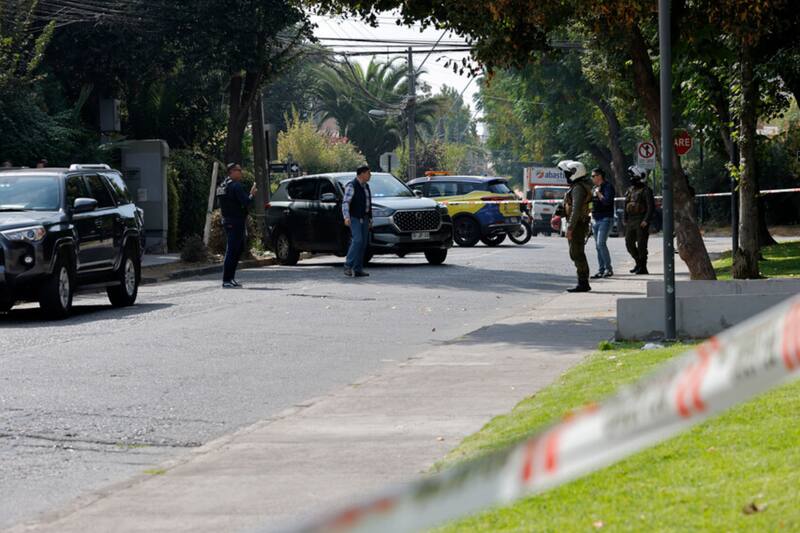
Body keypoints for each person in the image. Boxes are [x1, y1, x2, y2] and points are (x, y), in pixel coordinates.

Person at [217, 162, 256, 288]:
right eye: (238, 170)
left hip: (228, 220)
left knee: (236, 249)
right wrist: (252, 194)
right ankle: (227, 280)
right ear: (231, 172)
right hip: (235, 221)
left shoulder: (223, 185)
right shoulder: (235, 186)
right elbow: (246, 202)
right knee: (232, 250)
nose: (241, 172)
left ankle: (230, 278)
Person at [559, 159, 593, 292]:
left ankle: (583, 283)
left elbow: (576, 209)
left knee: (577, 253)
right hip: (578, 223)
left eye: (568, 173)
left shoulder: (578, 188)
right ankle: (583, 281)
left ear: (575, 173)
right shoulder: (578, 186)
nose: (566, 176)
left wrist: (570, 227)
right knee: (576, 253)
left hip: (578, 224)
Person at [624, 165, 655, 274]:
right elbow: (626, 204)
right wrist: (625, 218)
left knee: (642, 245)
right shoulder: (630, 190)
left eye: (633, 176)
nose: (631, 178)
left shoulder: (646, 190)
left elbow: (651, 207)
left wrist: (646, 220)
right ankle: (638, 263)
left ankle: (643, 267)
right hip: (631, 220)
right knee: (629, 243)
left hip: (641, 220)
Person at [342, 165, 372, 278]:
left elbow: (368, 203)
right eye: (368, 173)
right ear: (362, 174)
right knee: (357, 240)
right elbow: (346, 202)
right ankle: (348, 265)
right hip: (354, 217)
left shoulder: (366, 186)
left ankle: (358, 269)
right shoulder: (352, 185)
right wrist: (346, 217)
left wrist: (370, 218)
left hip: (364, 217)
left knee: (363, 243)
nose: (370, 176)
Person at [590, 168, 615, 279]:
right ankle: (601, 270)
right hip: (595, 219)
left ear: (599, 176)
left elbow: (607, 202)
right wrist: (589, 212)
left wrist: (599, 194)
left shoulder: (607, 187)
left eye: (593, 176)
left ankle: (608, 269)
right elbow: (591, 203)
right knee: (597, 246)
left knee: (601, 243)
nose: (592, 178)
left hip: (605, 219)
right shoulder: (594, 188)